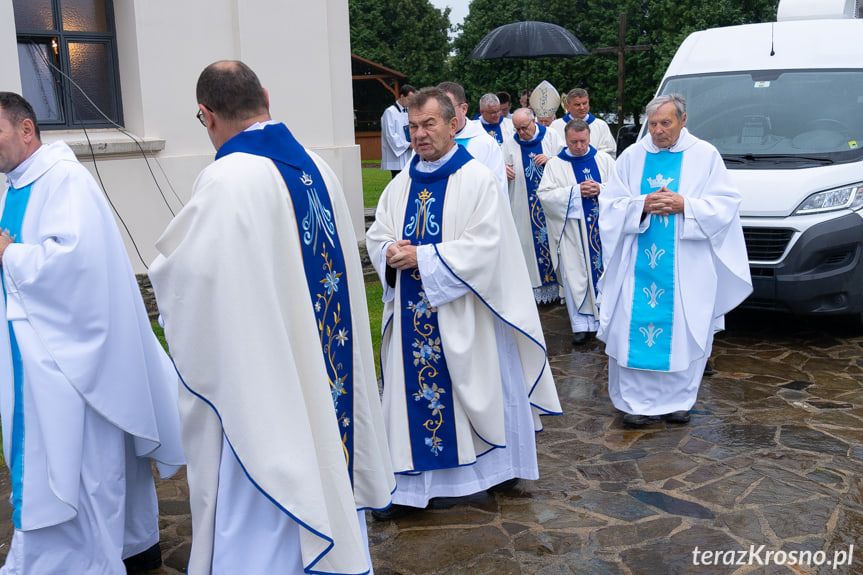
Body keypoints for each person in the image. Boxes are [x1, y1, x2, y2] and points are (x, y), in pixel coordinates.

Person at [147, 61, 395, 574]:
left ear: (206, 115)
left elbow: (190, 286)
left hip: (265, 383)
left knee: (261, 490)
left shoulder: (226, 179)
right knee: (323, 454)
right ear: (265, 95)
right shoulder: (316, 168)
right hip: (328, 371)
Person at [0, 92, 184, 573]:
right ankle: (126, 549)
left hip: (72, 362)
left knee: (83, 469)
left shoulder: (64, 180)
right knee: (91, 469)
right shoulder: (22, 183)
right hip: (47, 351)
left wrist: (9, 255)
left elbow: (75, 266)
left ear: (26, 129)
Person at [366, 87, 561, 520]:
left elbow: (487, 247)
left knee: (471, 393)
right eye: (413, 127)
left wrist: (425, 256)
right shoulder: (399, 186)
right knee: (410, 400)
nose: (419, 134)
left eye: (428, 124)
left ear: (453, 124)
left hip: (465, 315)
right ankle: (412, 486)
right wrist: (387, 251)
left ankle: (472, 478)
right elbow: (377, 233)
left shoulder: (477, 181)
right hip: (413, 320)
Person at [597, 94, 752, 426]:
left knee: (684, 327)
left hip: (686, 265)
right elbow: (609, 206)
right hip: (637, 264)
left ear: (683, 120)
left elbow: (726, 204)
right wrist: (641, 204)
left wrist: (686, 205)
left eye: (665, 123)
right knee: (632, 328)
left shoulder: (705, 156)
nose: (658, 131)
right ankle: (636, 404)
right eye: (652, 124)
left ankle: (679, 401)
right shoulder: (631, 157)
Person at [538, 119, 615, 344]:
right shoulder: (555, 164)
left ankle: (607, 322)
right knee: (576, 274)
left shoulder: (604, 160)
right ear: (566, 140)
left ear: (589, 138)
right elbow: (545, 195)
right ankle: (582, 325)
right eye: (574, 142)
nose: (579, 146)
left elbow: (622, 192)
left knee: (607, 274)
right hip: (573, 233)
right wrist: (574, 192)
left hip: (603, 233)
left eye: (583, 141)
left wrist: (601, 189)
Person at [503, 107, 565, 304]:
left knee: (555, 243)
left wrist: (552, 160)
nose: (521, 133)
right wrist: (502, 171)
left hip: (551, 207)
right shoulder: (509, 143)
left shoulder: (552, 136)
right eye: (517, 129)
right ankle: (535, 292)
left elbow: (567, 161)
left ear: (534, 122)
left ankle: (560, 291)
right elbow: (497, 168)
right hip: (522, 207)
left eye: (524, 127)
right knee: (527, 246)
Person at [437, 81, 507, 195]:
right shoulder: (427, 143)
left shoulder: (485, 144)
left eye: (448, 108)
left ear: (464, 109)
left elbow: (497, 192)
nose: (442, 115)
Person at [551, 88, 616, 157]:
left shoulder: (601, 125)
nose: (582, 107)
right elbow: (550, 151)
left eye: (584, 103)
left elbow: (610, 151)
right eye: (577, 105)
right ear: (568, 107)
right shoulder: (555, 126)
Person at [381, 84, 416, 178]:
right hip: (398, 156)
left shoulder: (409, 111)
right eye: (410, 98)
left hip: (410, 153)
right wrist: (407, 145)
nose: (411, 102)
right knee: (398, 181)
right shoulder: (390, 112)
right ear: (402, 96)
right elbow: (390, 135)